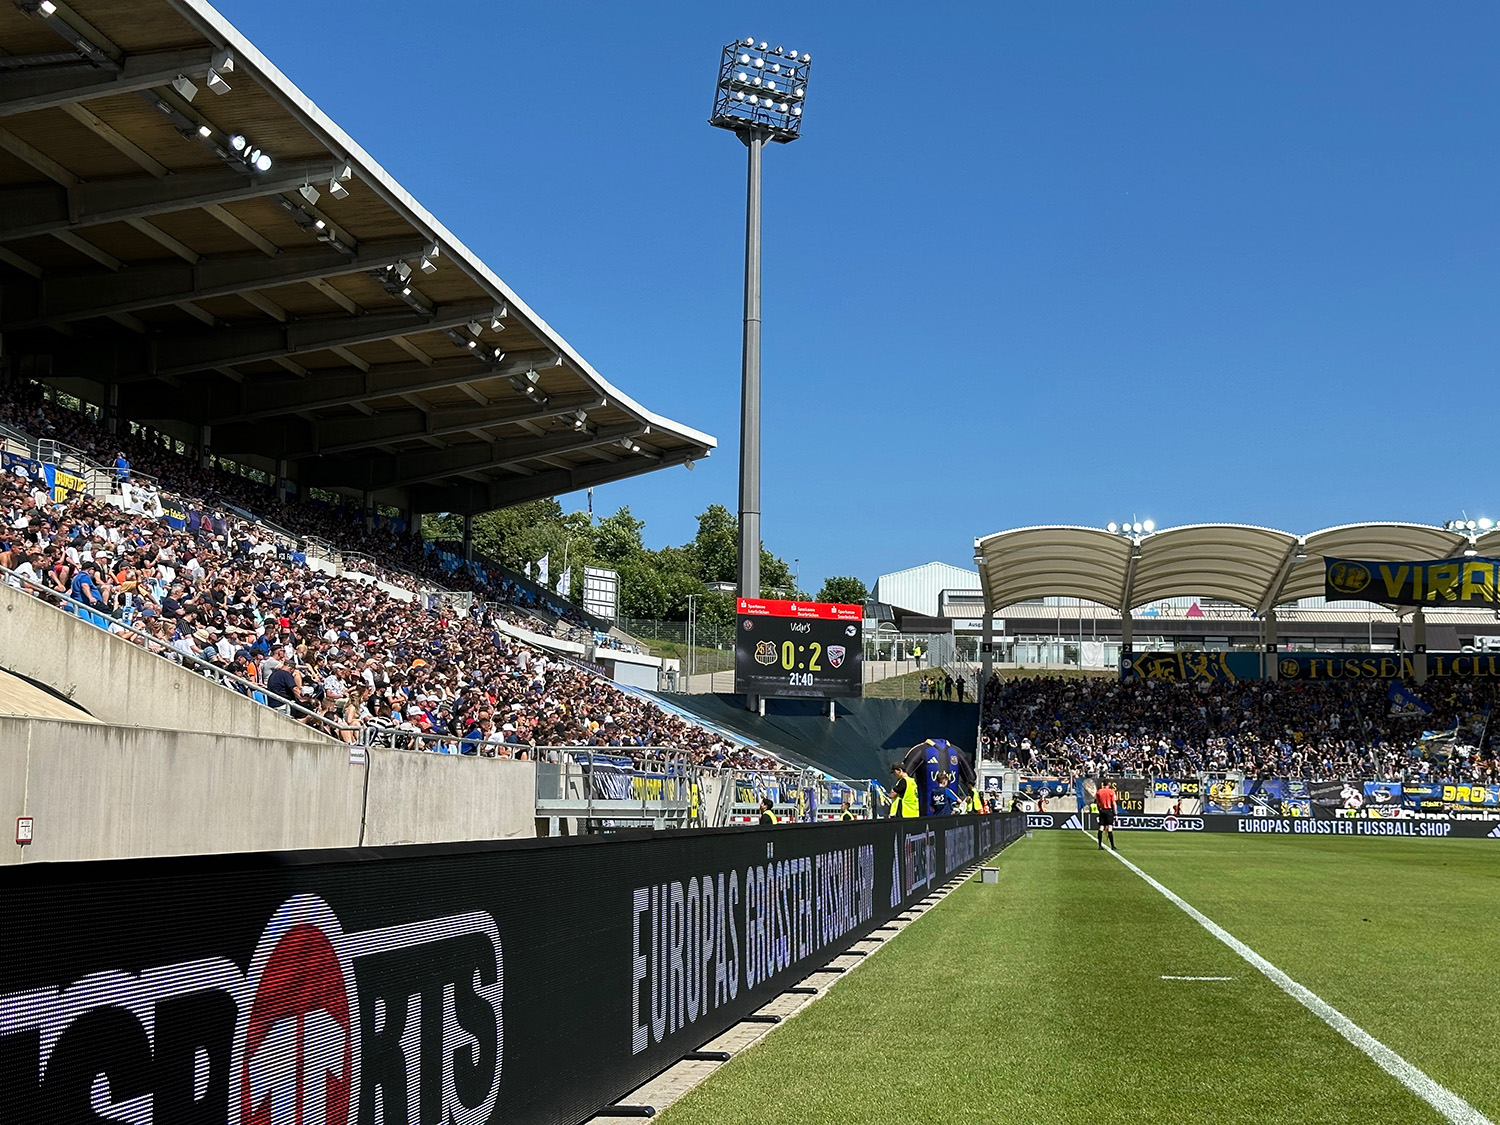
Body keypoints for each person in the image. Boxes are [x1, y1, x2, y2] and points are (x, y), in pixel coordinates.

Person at [1096, 780, 1118, 851]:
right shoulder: (1111, 792)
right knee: (1110, 827)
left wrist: (1099, 809)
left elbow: (1097, 802)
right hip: (1109, 810)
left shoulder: (1099, 791)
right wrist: (1115, 814)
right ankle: (1112, 846)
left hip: (1102, 810)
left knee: (1101, 827)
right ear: (1109, 784)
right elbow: (1114, 803)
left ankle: (1099, 845)